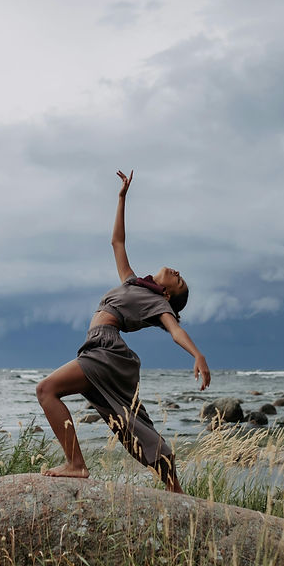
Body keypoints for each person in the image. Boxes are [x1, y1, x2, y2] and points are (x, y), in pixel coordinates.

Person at [35, 170, 211, 494]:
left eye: (180, 279)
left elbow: (174, 331)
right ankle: (175, 489)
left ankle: (76, 465)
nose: (177, 272)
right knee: (132, 427)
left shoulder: (160, 304)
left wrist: (197, 354)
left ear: (169, 294)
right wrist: (121, 198)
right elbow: (117, 241)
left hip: (106, 350)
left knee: (46, 390)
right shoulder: (133, 283)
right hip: (99, 349)